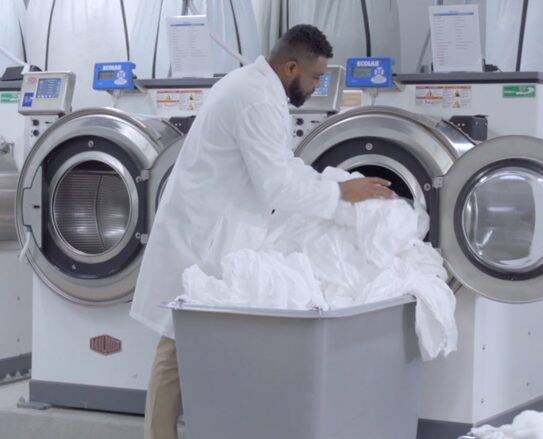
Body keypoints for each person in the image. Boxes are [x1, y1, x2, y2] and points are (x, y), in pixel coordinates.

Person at [130, 24, 395, 439]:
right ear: (291, 67)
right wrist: (342, 193)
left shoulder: (257, 89)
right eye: (315, 77)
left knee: (193, 344)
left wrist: (329, 189)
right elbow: (277, 184)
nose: (316, 86)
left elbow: (279, 169)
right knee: (177, 345)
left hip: (216, 229)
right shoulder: (256, 100)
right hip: (203, 238)